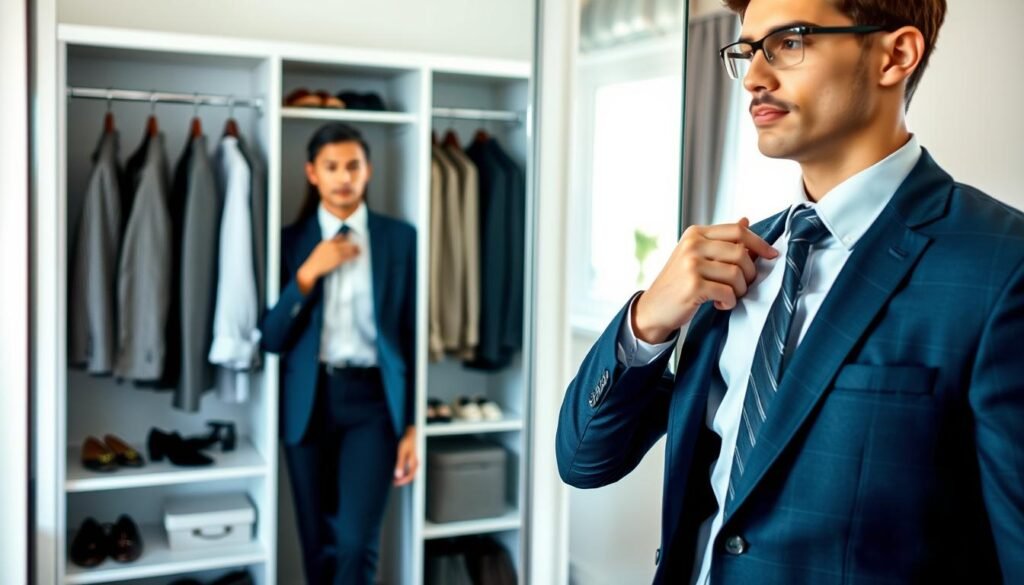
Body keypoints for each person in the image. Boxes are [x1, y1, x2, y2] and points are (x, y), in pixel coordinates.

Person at [556, 0, 1024, 582]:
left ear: (894, 55)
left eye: (790, 41)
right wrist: (648, 319)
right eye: (748, 50)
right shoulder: (736, 261)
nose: (754, 76)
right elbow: (583, 461)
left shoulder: (1002, 267)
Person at [261, 123, 418, 584]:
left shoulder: (400, 239)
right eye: (332, 167)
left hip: (372, 405)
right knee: (317, 544)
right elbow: (270, 338)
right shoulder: (290, 241)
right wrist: (308, 274)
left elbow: (408, 335)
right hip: (308, 405)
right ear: (312, 173)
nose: (343, 177)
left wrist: (410, 425)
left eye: (353, 165)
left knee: (355, 542)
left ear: (368, 170)